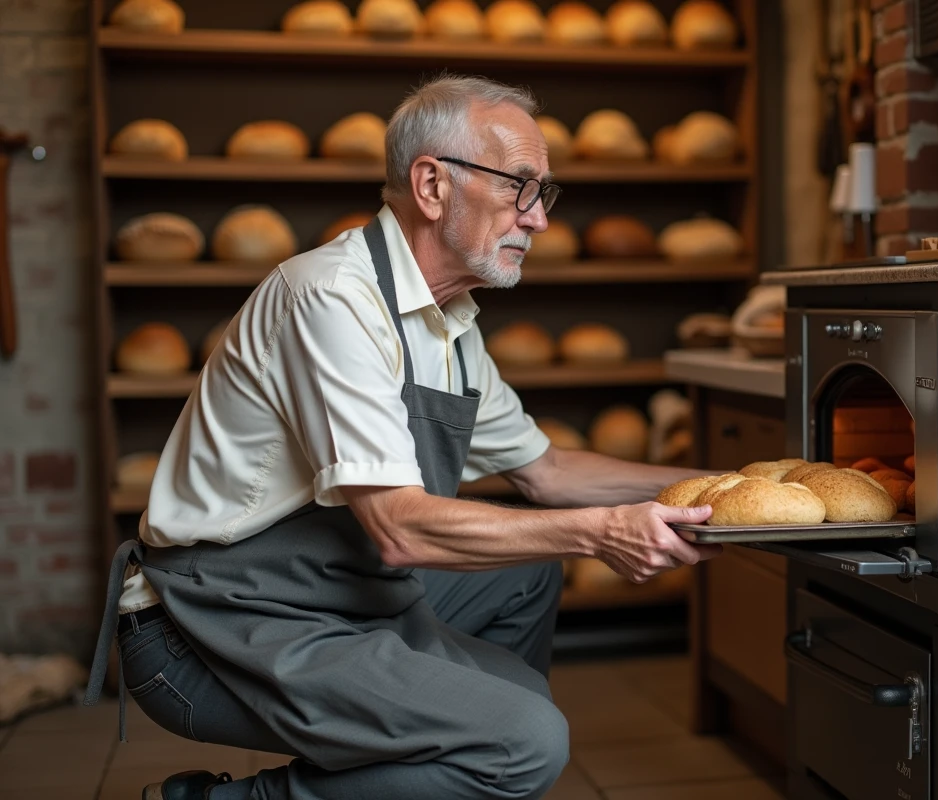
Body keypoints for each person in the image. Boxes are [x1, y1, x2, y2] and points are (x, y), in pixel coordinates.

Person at [84, 74, 722, 800]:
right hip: (209, 626)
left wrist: (725, 483)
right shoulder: (332, 300)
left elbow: (547, 472)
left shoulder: (448, 322)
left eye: (544, 192)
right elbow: (397, 530)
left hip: (333, 592)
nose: (538, 218)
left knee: (526, 580)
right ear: (431, 186)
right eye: (521, 185)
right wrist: (602, 532)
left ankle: (438, 765)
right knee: (526, 740)